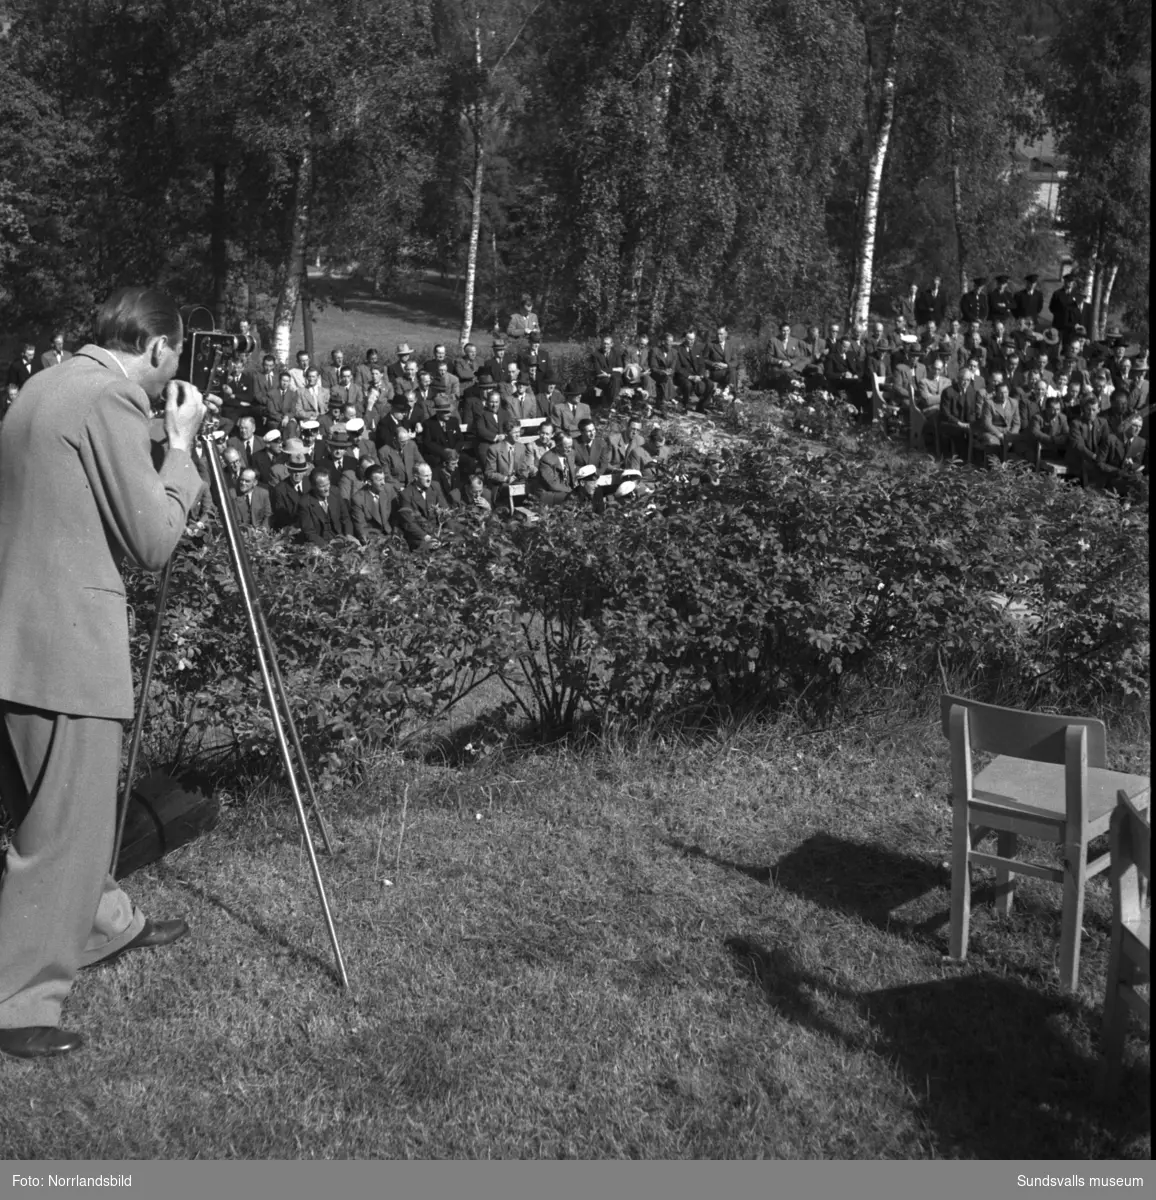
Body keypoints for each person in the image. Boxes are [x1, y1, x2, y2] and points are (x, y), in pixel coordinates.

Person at [0, 286, 207, 1060]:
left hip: (16, 639)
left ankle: (102, 922)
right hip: (67, 645)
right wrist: (181, 448)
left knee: (53, 810)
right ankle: (18, 1001)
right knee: (61, 829)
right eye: (176, 355)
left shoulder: (47, 385)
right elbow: (153, 538)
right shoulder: (113, 399)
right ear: (157, 348)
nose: (172, 372)